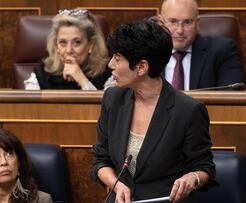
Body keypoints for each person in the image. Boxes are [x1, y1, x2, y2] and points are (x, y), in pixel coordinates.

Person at [91, 20, 216, 203]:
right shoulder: (113, 98)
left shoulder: (188, 111)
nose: (110, 64)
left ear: (141, 67)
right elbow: (101, 160)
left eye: (117, 59)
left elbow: (205, 168)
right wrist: (117, 185)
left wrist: (192, 178)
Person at [159, 0, 242, 90]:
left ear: (197, 23)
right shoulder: (147, 51)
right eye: (173, 21)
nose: (180, 30)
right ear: (161, 22)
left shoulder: (223, 51)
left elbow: (230, 97)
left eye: (187, 22)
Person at [24, 8, 114, 90]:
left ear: (91, 45)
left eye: (77, 42)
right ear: (56, 45)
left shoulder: (110, 73)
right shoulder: (42, 73)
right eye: (63, 42)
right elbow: (28, 106)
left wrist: (82, 80)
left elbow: (106, 107)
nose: (69, 50)